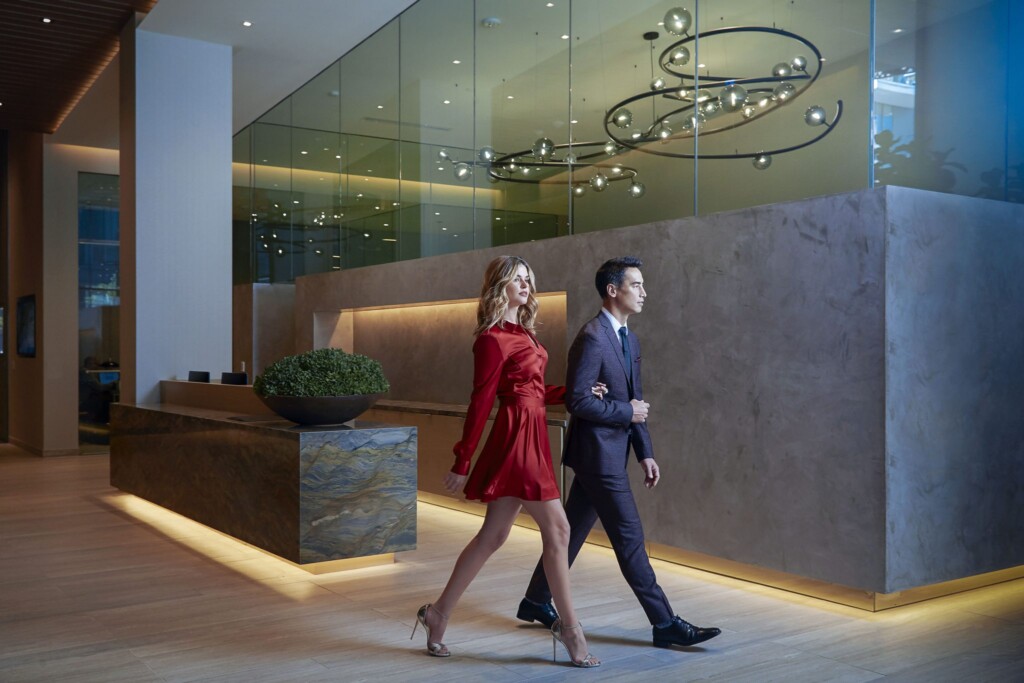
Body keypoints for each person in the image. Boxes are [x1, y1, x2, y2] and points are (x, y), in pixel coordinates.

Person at [516, 256, 722, 649]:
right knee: (629, 538)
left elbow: (635, 399)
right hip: (596, 456)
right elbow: (578, 401)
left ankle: (535, 600)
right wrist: (626, 412)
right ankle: (664, 623)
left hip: (613, 454)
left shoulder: (630, 338)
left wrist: (645, 451)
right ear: (613, 291)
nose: (644, 292)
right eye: (637, 285)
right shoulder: (591, 337)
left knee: (572, 532)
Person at [411, 255, 601, 668]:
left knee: (493, 536)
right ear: (500, 285)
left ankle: (437, 614)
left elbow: (534, 390)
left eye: (529, 279)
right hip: (515, 439)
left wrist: (578, 392)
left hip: (532, 434)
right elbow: (481, 401)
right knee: (559, 528)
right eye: (517, 279)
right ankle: (571, 631)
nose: (525, 285)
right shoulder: (491, 338)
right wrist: (463, 460)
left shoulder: (526, 335)